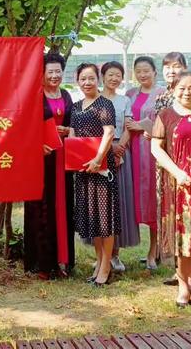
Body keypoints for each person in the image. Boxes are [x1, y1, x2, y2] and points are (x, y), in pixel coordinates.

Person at [151, 71, 191, 307]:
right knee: (183, 236)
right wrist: (177, 172)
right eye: (182, 88)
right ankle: (183, 284)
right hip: (178, 185)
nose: (187, 92)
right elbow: (156, 148)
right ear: (174, 89)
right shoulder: (166, 115)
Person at [69, 63, 120, 286]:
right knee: (92, 218)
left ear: (97, 79)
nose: (87, 82)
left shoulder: (104, 104)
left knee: (105, 218)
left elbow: (109, 132)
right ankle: (99, 262)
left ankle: (106, 266)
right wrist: (72, 160)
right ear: (77, 80)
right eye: (83, 78)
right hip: (82, 170)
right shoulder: (76, 106)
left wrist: (98, 159)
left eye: (91, 78)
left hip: (101, 169)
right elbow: (72, 135)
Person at [24, 53, 74, 278]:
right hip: (41, 158)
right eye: (50, 72)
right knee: (42, 208)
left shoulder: (66, 94)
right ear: (42, 74)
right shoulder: (34, 95)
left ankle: (63, 261)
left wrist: (67, 130)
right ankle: (42, 263)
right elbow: (24, 125)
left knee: (63, 207)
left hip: (64, 156)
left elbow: (74, 122)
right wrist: (36, 144)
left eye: (58, 71)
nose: (54, 76)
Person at [126, 56, 164, 269]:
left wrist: (142, 125)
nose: (142, 74)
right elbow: (123, 121)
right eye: (138, 71)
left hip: (151, 153)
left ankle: (153, 251)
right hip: (132, 153)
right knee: (131, 199)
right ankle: (115, 253)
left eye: (146, 71)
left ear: (154, 71)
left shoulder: (162, 95)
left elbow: (164, 124)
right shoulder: (130, 94)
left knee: (153, 199)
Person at [101, 62, 140, 272]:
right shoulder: (95, 99)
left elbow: (128, 127)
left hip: (120, 154)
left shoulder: (124, 100)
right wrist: (108, 147)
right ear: (103, 76)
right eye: (110, 74)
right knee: (101, 204)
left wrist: (120, 147)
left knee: (119, 202)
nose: (114, 78)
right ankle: (102, 255)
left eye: (118, 75)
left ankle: (115, 255)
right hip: (99, 151)